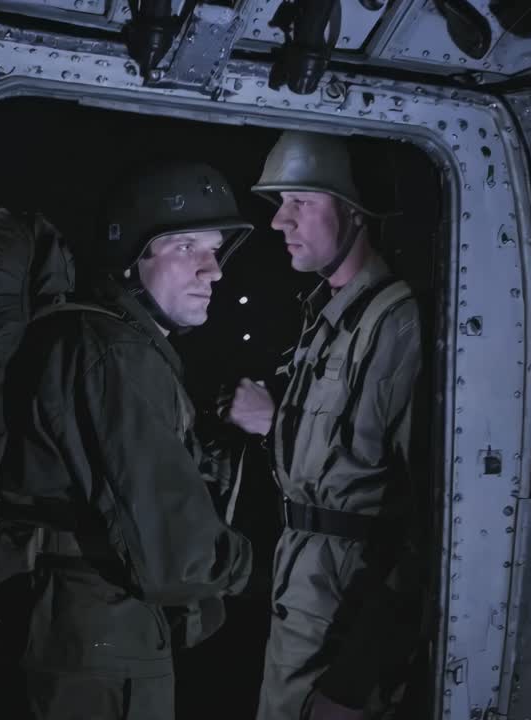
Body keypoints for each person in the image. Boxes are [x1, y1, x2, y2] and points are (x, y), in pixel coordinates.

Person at [0, 160, 255, 720]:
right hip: (98, 640)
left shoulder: (96, 337)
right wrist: (254, 562)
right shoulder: (116, 353)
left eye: (215, 249)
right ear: (132, 258)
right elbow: (179, 556)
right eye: (185, 247)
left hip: (69, 624)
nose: (213, 270)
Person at [223, 130, 425, 720]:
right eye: (279, 204)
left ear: (354, 212)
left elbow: (428, 525)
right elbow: (336, 456)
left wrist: (357, 677)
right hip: (306, 592)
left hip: (347, 611)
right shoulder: (329, 318)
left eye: (300, 202)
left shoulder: (399, 325)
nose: (279, 221)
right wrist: (272, 424)